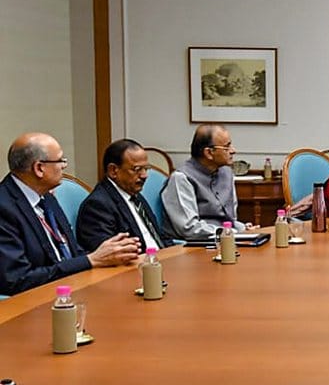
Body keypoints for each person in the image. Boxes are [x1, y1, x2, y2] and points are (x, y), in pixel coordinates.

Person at [0, 133, 141, 296]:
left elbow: (72, 253)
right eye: (60, 160)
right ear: (39, 168)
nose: (64, 166)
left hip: (71, 289)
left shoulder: (46, 196)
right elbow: (17, 280)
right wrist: (91, 260)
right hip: (34, 304)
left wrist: (110, 254)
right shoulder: (4, 208)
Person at [76, 139, 176, 253]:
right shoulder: (97, 206)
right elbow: (108, 255)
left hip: (159, 261)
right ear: (113, 171)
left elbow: (159, 236)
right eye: (137, 169)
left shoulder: (134, 194)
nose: (144, 175)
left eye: (146, 168)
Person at [161, 124, 252, 241]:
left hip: (224, 239)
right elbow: (189, 229)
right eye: (227, 147)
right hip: (193, 246)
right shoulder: (182, 178)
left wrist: (243, 229)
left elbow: (229, 219)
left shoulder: (227, 173)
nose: (233, 151)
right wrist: (231, 232)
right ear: (209, 153)